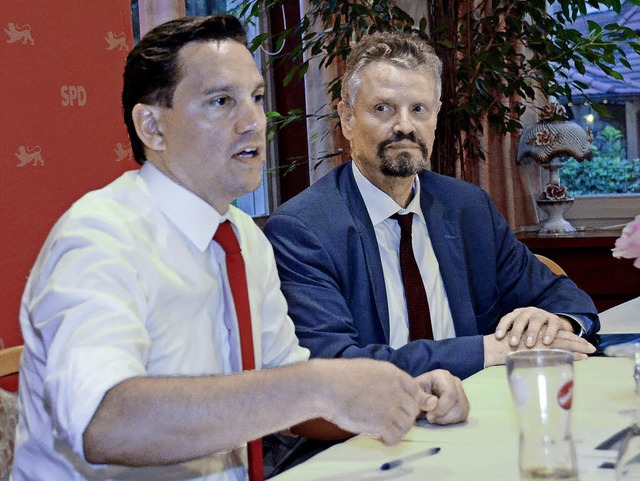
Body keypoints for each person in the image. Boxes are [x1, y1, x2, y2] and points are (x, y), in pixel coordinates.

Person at [11, 17, 469, 481]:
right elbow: (104, 422)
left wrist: (398, 394)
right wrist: (315, 386)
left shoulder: (242, 237)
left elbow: (288, 399)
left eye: (256, 98)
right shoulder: (98, 238)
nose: (253, 122)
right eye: (221, 101)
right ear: (152, 126)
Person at [263, 31, 600, 382]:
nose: (405, 126)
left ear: (436, 117)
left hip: (478, 413)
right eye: (383, 109)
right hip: (370, 428)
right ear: (347, 119)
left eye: (419, 109)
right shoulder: (303, 229)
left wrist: (555, 323)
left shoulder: (469, 208)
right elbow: (334, 367)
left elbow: (563, 296)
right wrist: (487, 351)